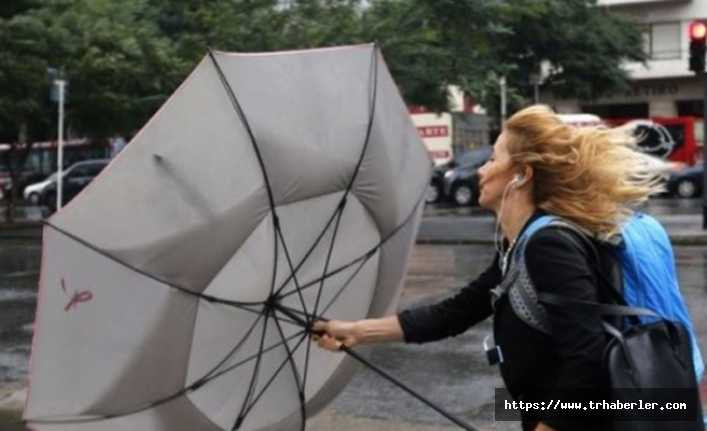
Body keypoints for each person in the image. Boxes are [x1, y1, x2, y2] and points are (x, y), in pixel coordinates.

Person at [312, 105, 664, 431]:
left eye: (493, 158)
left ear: (521, 175)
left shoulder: (549, 246)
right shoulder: (521, 244)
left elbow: (586, 359)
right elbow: (454, 313)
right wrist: (357, 331)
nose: (481, 169)